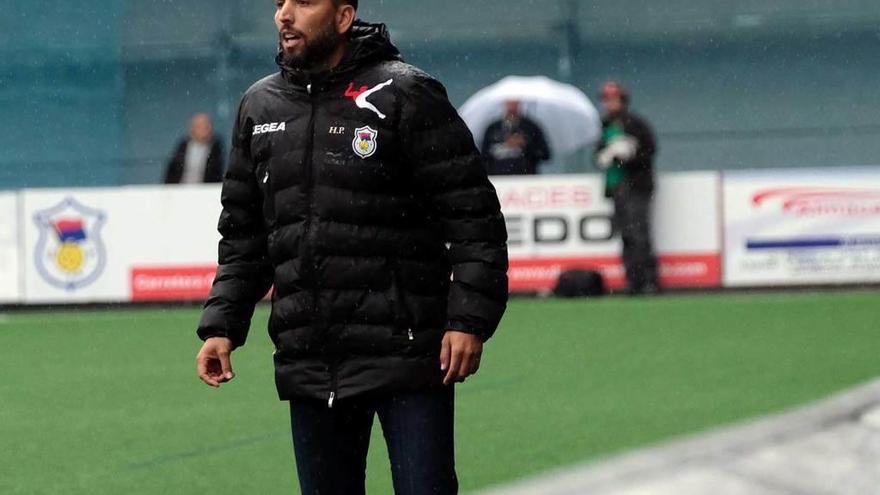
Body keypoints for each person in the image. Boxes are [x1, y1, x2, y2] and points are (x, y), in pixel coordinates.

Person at [194, 1, 509, 494]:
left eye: (303, 2)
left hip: (408, 353)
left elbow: (474, 219)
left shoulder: (405, 92)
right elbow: (244, 236)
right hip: (310, 358)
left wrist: (468, 320)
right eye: (279, 3)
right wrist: (222, 325)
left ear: (343, 18)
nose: (284, 15)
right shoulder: (259, 105)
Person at [594, 80, 659, 295]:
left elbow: (649, 150)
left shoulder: (635, 124)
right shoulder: (603, 125)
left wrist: (627, 156)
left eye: (614, 99)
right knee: (626, 235)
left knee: (639, 233)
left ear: (623, 100)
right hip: (616, 187)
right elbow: (598, 155)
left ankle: (649, 281)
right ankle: (633, 281)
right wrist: (604, 156)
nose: (610, 104)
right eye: (607, 100)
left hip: (636, 186)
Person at [481, 100, 551, 175]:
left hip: (525, 178)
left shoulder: (531, 127)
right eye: (509, 101)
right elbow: (484, 156)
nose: (512, 104)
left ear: (520, 103)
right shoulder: (493, 128)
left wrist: (524, 144)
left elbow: (545, 154)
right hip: (498, 178)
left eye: (515, 101)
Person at [164, 113, 225, 184]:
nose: (203, 130)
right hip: (181, 189)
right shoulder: (183, 146)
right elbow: (173, 169)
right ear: (192, 128)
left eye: (206, 127)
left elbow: (216, 171)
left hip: (205, 190)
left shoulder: (215, 147)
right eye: (199, 127)